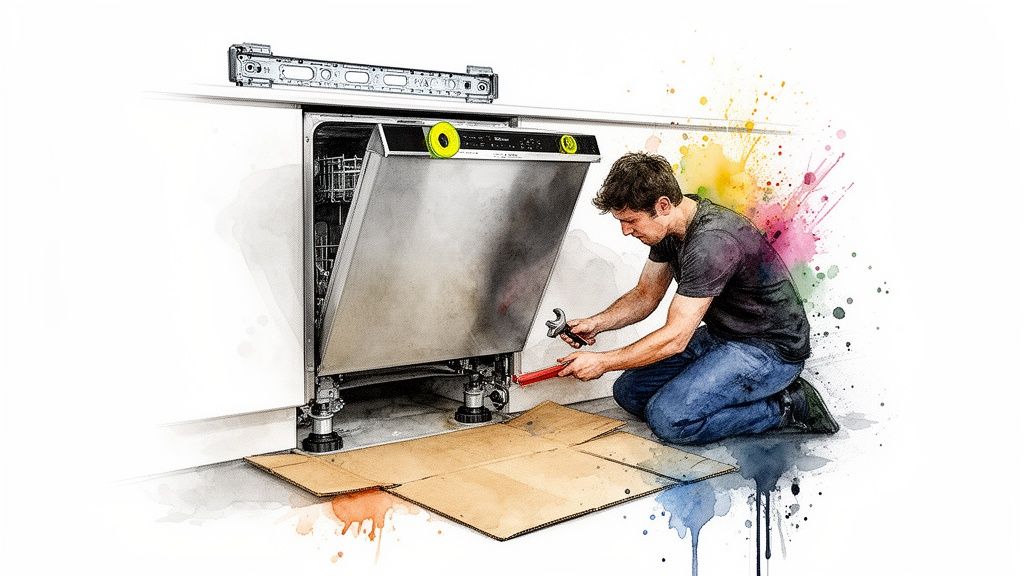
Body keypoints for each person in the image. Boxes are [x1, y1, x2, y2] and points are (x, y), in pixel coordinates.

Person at [556, 152, 839, 444]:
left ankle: (788, 406)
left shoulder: (711, 241)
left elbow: (676, 337)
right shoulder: (673, 223)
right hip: (723, 336)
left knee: (668, 420)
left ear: (662, 205)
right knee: (628, 392)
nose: (626, 231)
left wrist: (603, 362)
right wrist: (596, 323)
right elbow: (645, 296)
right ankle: (734, 393)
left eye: (631, 221)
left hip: (770, 348)